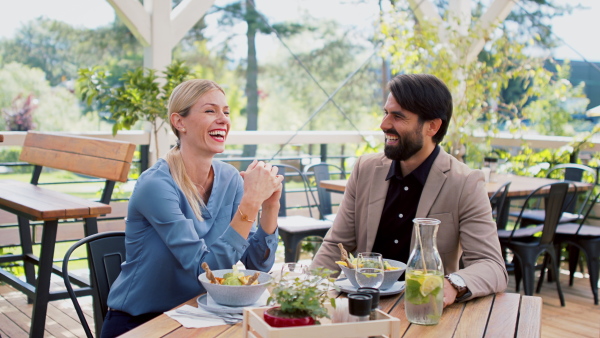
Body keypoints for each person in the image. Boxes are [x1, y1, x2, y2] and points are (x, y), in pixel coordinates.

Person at [101, 79, 283, 337]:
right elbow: (204, 270)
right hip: (142, 324)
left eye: (226, 112)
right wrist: (250, 203)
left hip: (201, 316)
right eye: (210, 111)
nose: (223, 119)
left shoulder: (230, 178)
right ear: (179, 122)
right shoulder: (156, 185)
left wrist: (270, 205)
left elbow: (256, 264)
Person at [311, 74, 507, 306]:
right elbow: (336, 245)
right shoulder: (366, 169)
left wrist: (453, 284)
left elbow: (492, 265)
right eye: (386, 113)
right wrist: (306, 289)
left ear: (432, 126)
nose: (384, 124)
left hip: (424, 309)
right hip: (362, 303)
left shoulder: (464, 182)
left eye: (398, 116)